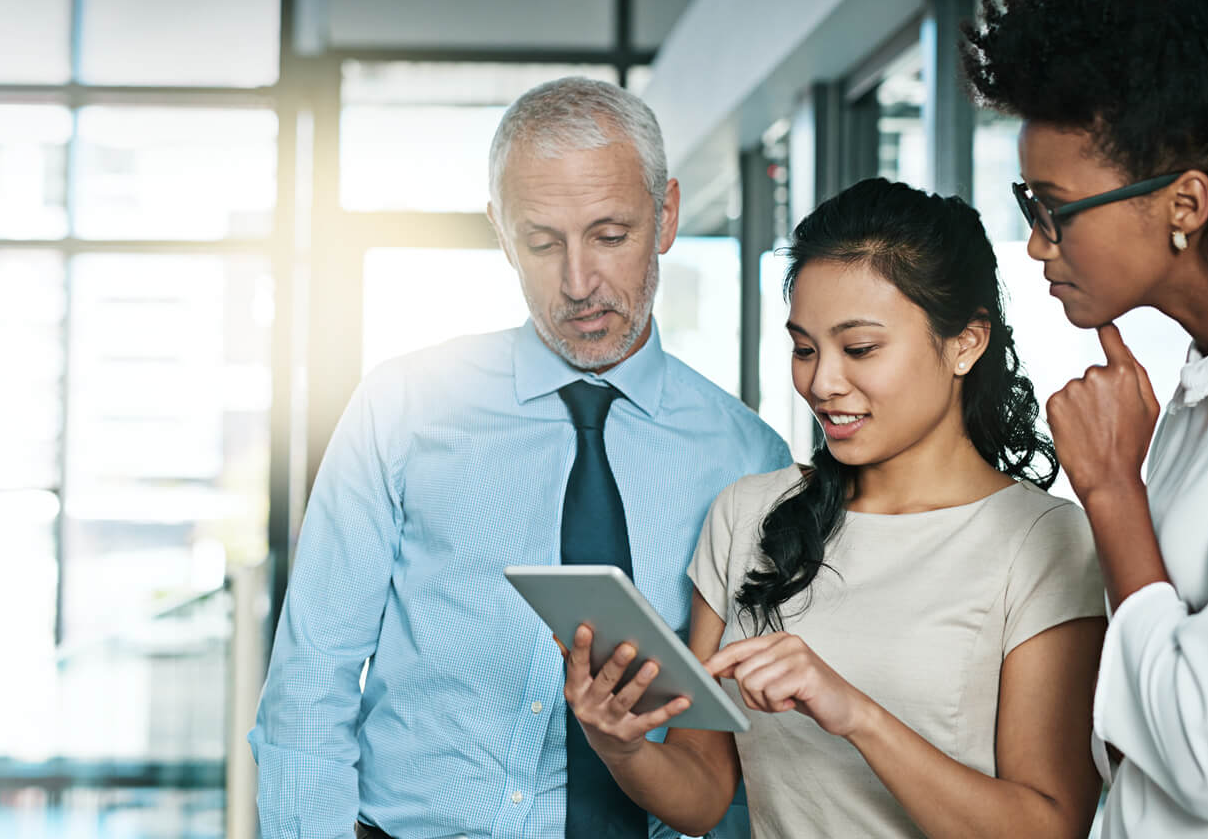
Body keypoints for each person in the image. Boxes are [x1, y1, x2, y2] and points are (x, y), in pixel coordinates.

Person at [247, 76, 789, 839]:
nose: (578, 282)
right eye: (542, 241)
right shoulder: (402, 408)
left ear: (665, 217)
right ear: (501, 231)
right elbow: (311, 678)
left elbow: (738, 745)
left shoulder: (747, 456)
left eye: (610, 235)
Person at [562, 179, 1109, 838]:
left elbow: (1051, 827)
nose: (821, 383)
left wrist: (856, 713)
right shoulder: (747, 516)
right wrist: (619, 744)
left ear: (965, 342)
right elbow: (703, 793)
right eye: (804, 348)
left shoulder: (1044, 541)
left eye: (860, 349)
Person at [963, 0, 1208, 836]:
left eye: (1053, 208)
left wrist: (1111, 493)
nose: (1035, 246)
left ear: (1185, 202)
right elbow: (1163, 724)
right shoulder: (1206, 382)